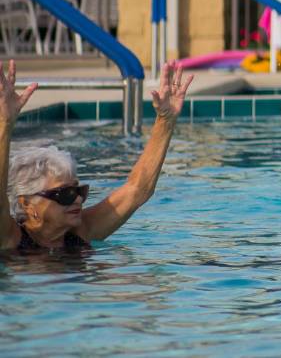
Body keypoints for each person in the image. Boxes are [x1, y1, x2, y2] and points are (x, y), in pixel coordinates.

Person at [3, 59, 194, 253]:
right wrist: (5, 124)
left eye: (79, 191)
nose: (78, 200)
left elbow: (137, 190)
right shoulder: (9, 238)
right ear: (27, 204)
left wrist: (165, 121)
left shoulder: (82, 231)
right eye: (65, 194)